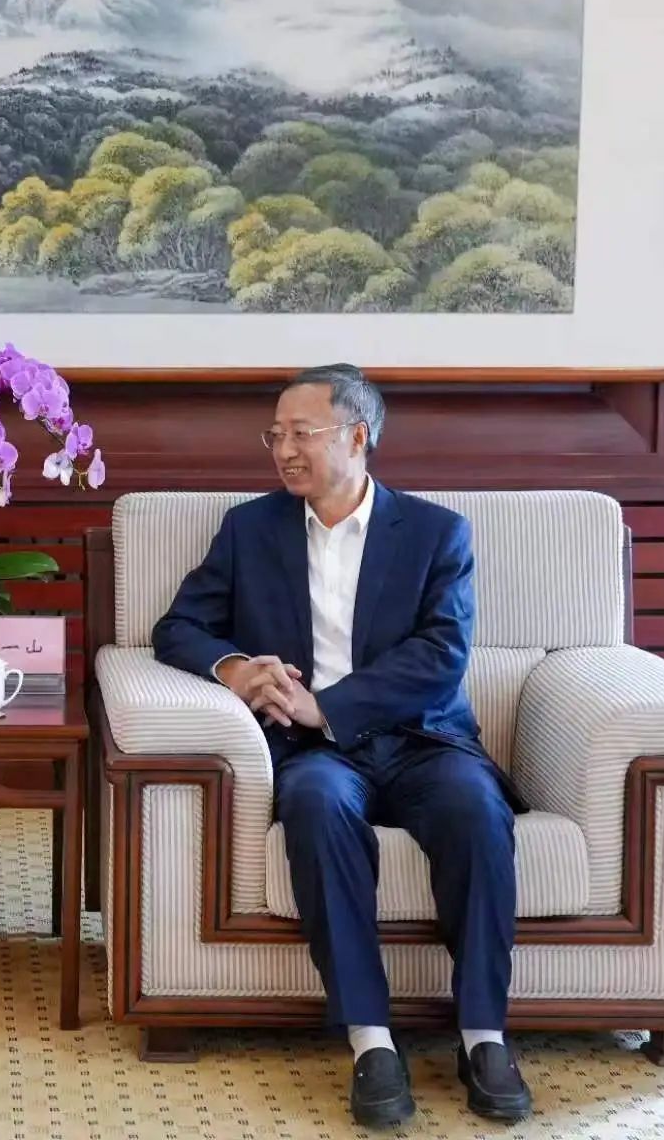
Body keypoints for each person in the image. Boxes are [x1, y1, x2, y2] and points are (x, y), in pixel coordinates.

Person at [152, 364, 533, 1128]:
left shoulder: (434, 532)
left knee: (474, 811)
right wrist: (236, 669)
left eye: (301, 433)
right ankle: (369, 1040)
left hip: (423, 740)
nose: (282, 450)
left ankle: (482, 1034)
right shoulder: (249, 529)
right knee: (314, 804)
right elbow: (178, 627)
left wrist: (325, 705)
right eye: (274, 435)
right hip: (314, 754)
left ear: (357, 437)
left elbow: (440, 656)